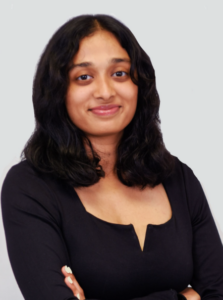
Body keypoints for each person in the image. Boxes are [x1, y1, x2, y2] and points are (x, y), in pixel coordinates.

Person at [1, 14, 223, 300]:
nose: (105, 92)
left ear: (139, 83)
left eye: (119, 73)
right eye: (83, 77)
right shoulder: (30, 187)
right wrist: (184, 297)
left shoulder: (177, 177)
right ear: (57, 91)